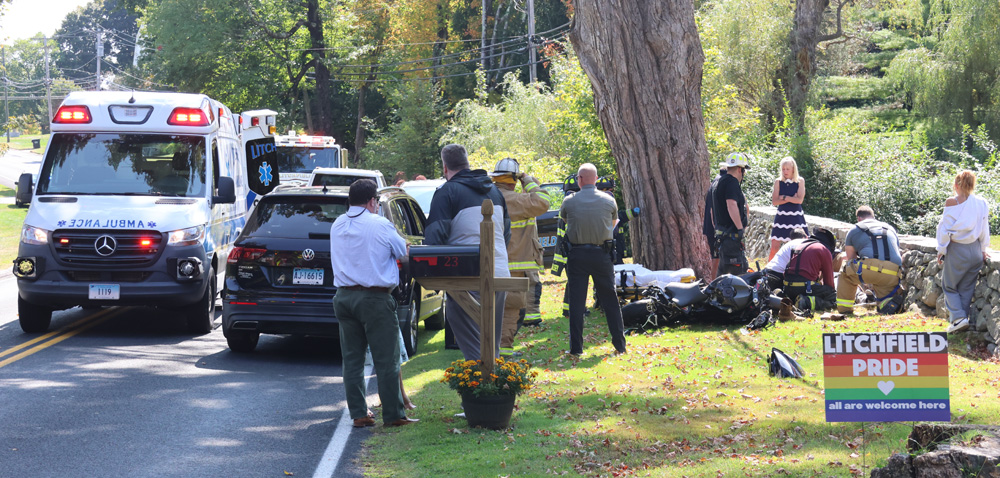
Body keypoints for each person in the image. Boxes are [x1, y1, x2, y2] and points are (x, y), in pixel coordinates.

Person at [330, 179, 418, 428]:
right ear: (372, 201)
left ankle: (359, 413)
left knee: (352, 359)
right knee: (386, 358)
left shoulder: (337, 224)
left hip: (344, 296)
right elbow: (403, 252)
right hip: (374, 297)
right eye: (376, 202)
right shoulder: (379, 224)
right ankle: (394, 414)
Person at [425, 144, 510, 361]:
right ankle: (494, 384)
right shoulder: (495, 192)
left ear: (445, 167)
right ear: (467, 162)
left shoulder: (447, 192)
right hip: (500, 272)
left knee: (473, 344)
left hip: (467, 276)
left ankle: (483, 387)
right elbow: (506, 234)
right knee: (491, 340)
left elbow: (435, 238)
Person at [561, 163, 627, 356]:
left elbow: (566, 221)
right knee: (610, 301)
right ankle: (620, 345)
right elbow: (613, 223)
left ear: (579, 180)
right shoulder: (608, 201)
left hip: (578, 255)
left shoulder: (569, 201)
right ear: (596, 180)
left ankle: (576, 348)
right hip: (602, 255)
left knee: (576, 303)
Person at [490, 158, 552, 356]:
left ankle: (496, 351)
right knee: (512, 310)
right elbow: (543, 201)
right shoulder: (514, 200)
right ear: (513, 180)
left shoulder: (489, 197)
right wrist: (528, 179)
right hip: (514, 268)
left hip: (493, 265)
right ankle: (503, 353)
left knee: (495, 309)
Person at [936, 170, 990, 333]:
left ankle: (958, 318)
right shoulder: (982, 202)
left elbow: (945, 230)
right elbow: (984, 229)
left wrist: (941, 250)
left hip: (957, 249)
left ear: (957, 185)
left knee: (949, 286)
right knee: (966, 287)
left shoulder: (952, 202)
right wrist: (983, 249)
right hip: (975, 250)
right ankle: (960, 322)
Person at [836, 206, 903, 315]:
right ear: (873, 217)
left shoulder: (855, 229)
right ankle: (885, 305)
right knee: (884, 291)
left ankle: (845, 309)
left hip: (868, 268)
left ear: (858, 218)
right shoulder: (890, 228)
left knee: (845, 272)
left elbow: (850, 259)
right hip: (893, 272)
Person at [712, 153, 751, 276]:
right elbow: (731, 205)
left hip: (722, 237)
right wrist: (740, 229)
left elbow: (712, 211)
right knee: (738, 276)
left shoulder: (718, 182)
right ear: (740, 169)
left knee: (723, 275)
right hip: (731, 238)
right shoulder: (732, 183)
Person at [782, 228, 838, 311]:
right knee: (833, 297)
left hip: (787, 286)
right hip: (805, 287)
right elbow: (829, 283)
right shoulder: (824, 249)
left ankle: (787, 298)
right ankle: (806, 302)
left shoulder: (801, 246)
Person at [741, 227, 808, 290]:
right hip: (778, 276)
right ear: (806, 237)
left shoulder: (789, 244)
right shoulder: (804, 244)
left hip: (768, 271)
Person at [769, 157, 808, 261]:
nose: (785, 171)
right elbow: (775, 202)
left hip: (796, 216)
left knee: (798, 246)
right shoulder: (778, 181)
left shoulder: (800, 181)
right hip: (782, 216)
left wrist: (784, 197)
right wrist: (792, 198)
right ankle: (768, 271)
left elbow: (799, 200)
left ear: (793, 169)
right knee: (774, 246)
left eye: (787, 169)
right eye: (783, 169)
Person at [703, 168, 726, 280]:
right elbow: (713, 210)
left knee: (716, 258)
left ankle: (713, 283)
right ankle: (713, 284)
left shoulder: (716, 181)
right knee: (717, 258)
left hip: (712, 227)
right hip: (716, 228)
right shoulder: (721, 183)